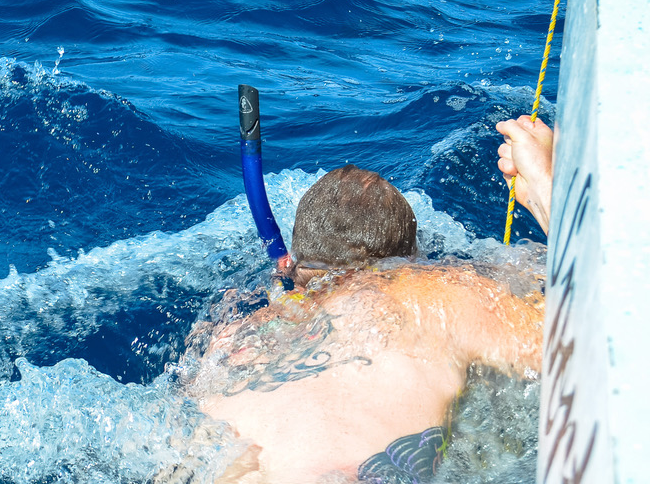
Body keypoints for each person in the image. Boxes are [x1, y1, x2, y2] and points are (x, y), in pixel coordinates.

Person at [165, 138, 554, 484]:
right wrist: (545, 191)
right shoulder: (440, 294)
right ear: (410, 261)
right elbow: (582, 341)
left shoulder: (235, 334)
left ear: (295, 262)